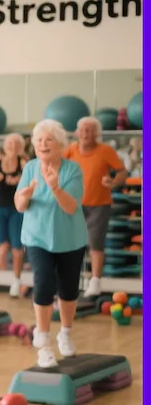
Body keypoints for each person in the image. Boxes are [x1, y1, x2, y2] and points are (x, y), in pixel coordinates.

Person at [16, 120, 88, 368]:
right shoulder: (30, 169)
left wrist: (55, 187)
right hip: (37, 238)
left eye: (48, 140)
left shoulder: (72, 170)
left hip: (70, 239)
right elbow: (19, 204)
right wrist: (23, 197)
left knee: (68, 289)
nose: (42, 144)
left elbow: (70, 207)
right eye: (38, 140)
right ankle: (43, 342)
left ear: (60, 145)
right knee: (43, 281)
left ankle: (65, 333)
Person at [63, 117, 128, 297]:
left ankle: (95, 281)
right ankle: (72, 280)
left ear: (97, 134)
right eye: (82, 129)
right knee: (73, 244)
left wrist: (113, 182)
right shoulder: (70, 150)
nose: (85, 133)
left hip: (99, 205)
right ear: (77, 132)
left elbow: (122, 171)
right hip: (75, 204)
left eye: (90, 130)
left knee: (95, 243)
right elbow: (58, 169)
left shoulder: (105, 151)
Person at [0, 133, 28, 297]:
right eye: (9, 144)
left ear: (20, 147)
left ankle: (16, 280)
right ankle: (6, 279)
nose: (12, 147)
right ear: (5, 146)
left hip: (16, 208)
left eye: (15, 144)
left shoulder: (23, 162)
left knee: (17, 247)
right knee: (2, 247)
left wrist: (20, 180)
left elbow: (31, 180)